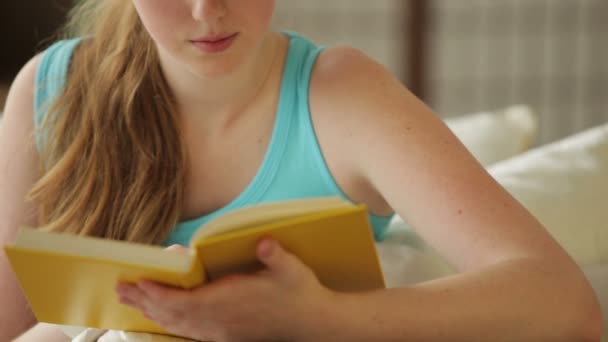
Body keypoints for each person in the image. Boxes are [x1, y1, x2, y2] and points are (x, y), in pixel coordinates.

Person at [0, 0, 602, 341]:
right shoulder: (47, 94)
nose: (207, 8)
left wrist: (319, 319)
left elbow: (567, 305)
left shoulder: (343, 97)